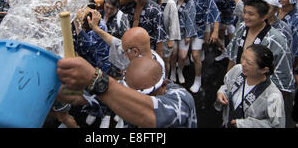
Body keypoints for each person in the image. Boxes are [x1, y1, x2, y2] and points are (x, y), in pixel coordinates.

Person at [56, 55, 198, 128]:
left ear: (164, 85)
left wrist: (96, 80)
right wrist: (51, 87)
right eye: (131, 92)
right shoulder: (123, 92)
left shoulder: (182, 99)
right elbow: (76, 97)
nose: (134, 98)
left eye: (144, 94)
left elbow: (148, 112)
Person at [226, 0, 295, 94]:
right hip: (238, 81)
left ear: (264, 17)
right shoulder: (242, 27)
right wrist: (227, 83)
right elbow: (232, 56)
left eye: (251, 14)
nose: (245, 16)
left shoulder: (276, 40)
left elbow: (282, 74)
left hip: (261, 90)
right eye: (244, 12)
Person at [215, 44, 285, 128]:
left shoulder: (274, 96)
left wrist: (245, 124)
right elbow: (227, 85)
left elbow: (277, 125)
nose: (243, 63)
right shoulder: (237, 70)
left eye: (249, 63)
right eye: (243, 58)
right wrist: (222, 92)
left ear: (264, 70)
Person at [189, 0, 220, 93]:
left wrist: (215, 31)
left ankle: (198, 79)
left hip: (200, 27)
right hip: (186, 27)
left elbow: (215, 12)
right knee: (186, 53)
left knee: (195, 55)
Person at [170, 0, 197, 84]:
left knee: (182, 56)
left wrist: (188, 36)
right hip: (172, 32)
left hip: (184, 32)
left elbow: (191, 19)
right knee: (173, 53)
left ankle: (179, 71)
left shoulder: (190, 3)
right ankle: (172, 70)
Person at [157, 0, 181, 77]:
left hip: (167, 37)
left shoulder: (171, 3)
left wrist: (172, 39)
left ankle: (166, 77)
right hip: (158, 35)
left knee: (165, 60)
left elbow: (174, 21)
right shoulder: (156, 0)